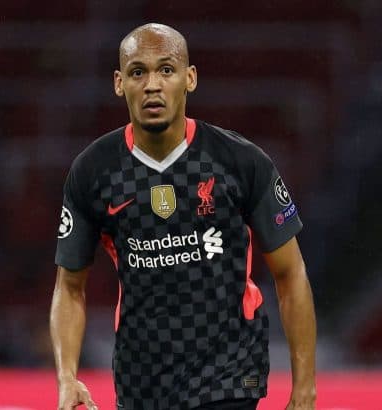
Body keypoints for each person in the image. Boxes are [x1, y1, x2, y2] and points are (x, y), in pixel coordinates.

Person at [50, 23, 317, 410]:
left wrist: (304, 389)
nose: (152, 84)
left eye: (167, 70)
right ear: (119, 83)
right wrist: (66, 376)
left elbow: (291, 274)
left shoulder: (240, 161)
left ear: (189, 78)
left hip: (229, 375)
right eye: (138, 72)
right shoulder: (94, 171)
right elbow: (69, 288)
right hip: (142, 381)